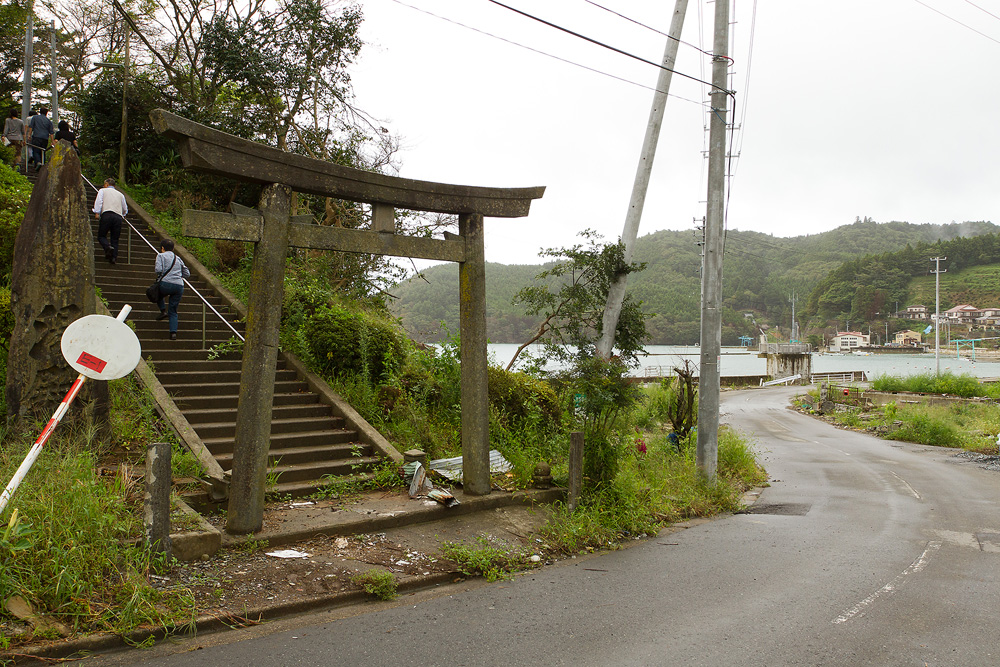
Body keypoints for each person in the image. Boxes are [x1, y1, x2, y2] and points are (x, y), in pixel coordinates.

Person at [154, 239, 190, 340]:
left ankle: (162, 311)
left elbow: (158, 270)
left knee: (157, 293)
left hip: (166, 284)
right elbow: (187, 273)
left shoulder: (160, 256)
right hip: (179, 286)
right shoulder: (178, 258)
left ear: (162, 248)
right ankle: (173, 333)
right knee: (173, 310)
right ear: (173, 248)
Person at [93, 177, 128, 264]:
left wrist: (97, 212)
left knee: (101, 236)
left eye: (104, 184)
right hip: (118, 217)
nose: (103, 186)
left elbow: (99, 201)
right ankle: (113, 258)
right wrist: (123, 214)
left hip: (107, 214)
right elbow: (125, 208)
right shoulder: (120, 194)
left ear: (107, 184)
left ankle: (107, 247)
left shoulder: (102, 191)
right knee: (115, 238)